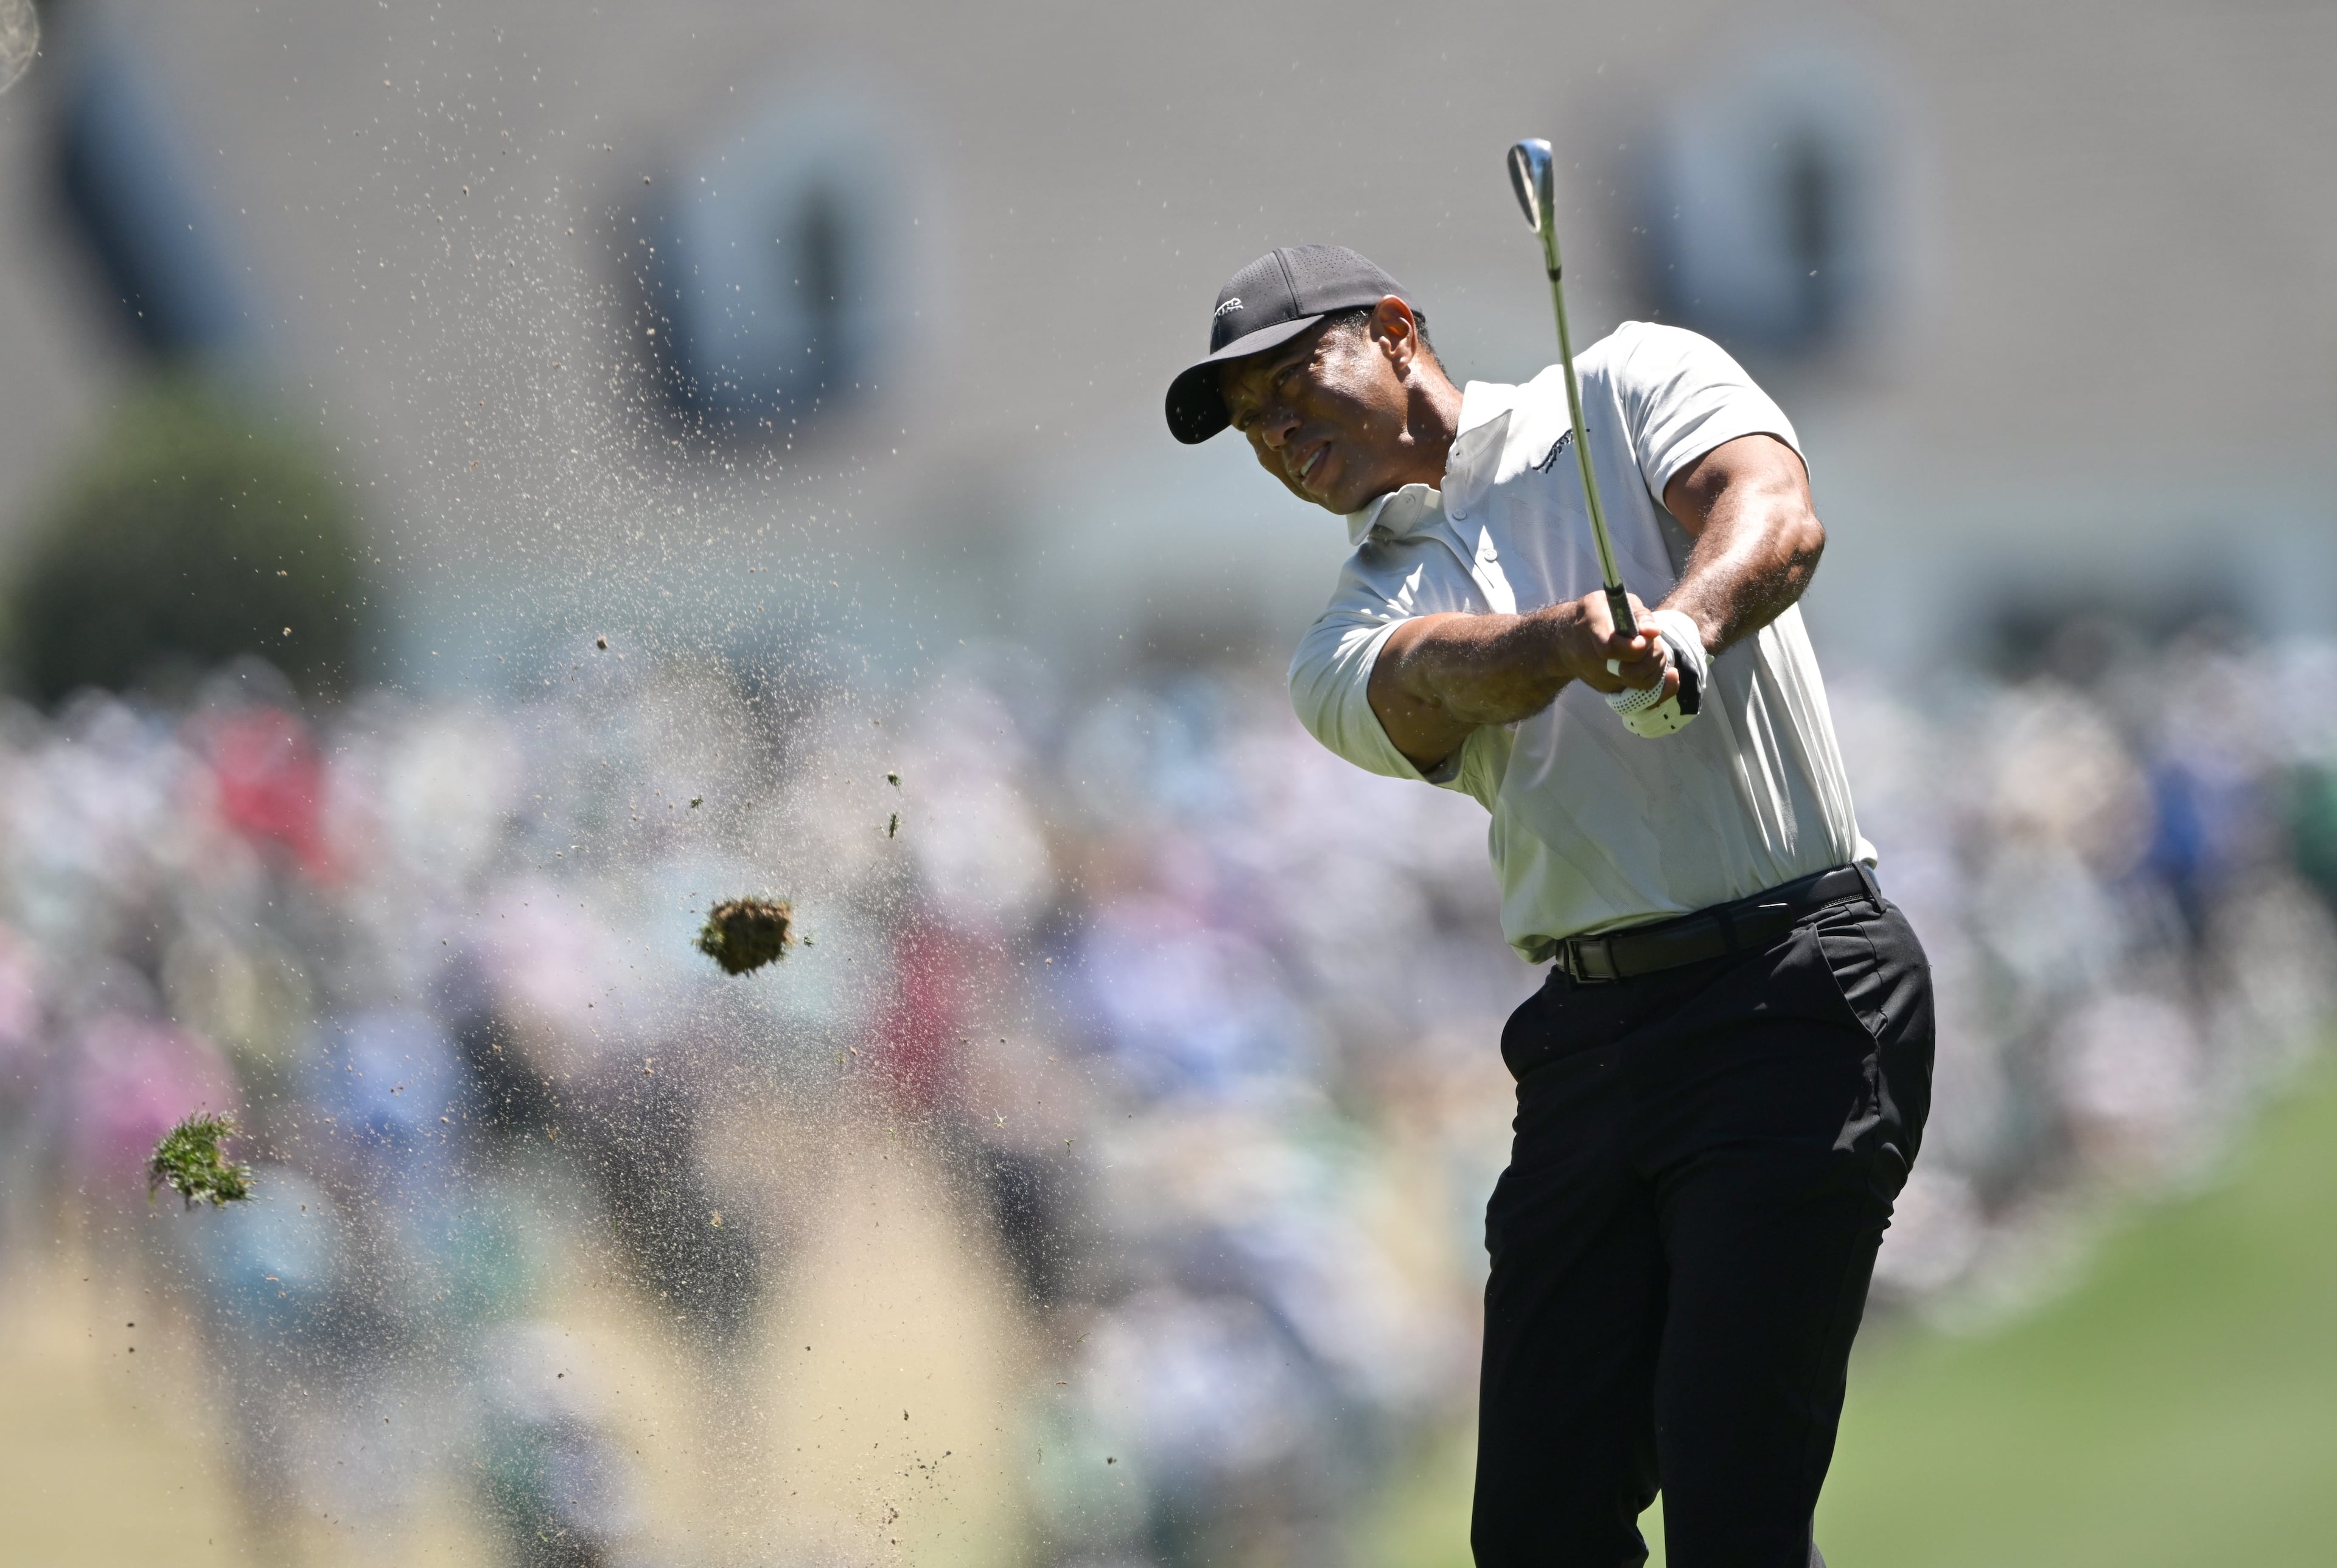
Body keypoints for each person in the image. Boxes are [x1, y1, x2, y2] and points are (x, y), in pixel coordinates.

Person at [1164, 244, 1934, 1568]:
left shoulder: (1631, 381)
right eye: (1252, 427)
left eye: (1296, 383)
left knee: (1732, 1507)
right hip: (1591, 1045)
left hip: (1794, 989)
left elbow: (1773, 514)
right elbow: (1431, 682)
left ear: (1399, 330)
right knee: (1534, 1525)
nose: (1280, 435)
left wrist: (1684, 627)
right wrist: (1567, 643)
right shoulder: (1343, 629)